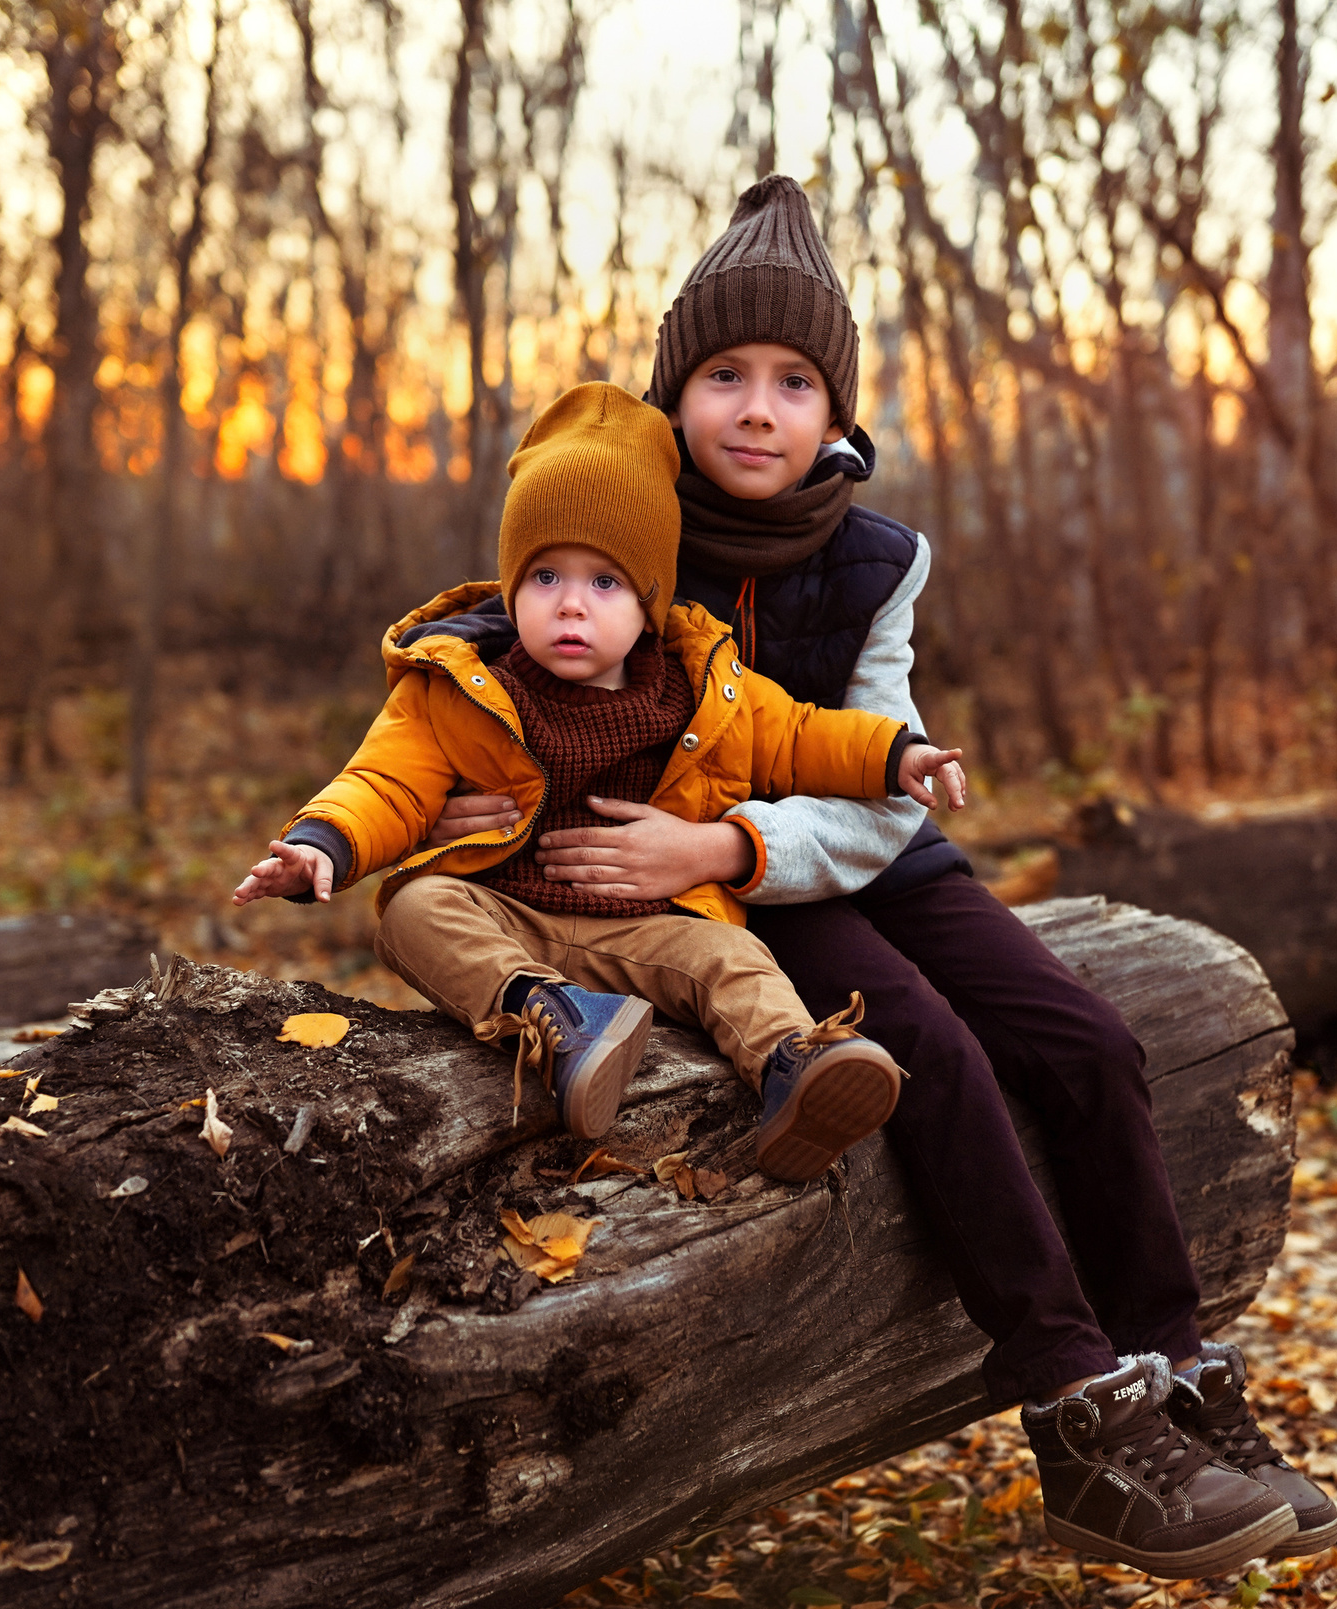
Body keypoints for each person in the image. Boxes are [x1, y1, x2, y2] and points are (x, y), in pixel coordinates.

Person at [423, 178, 1336, 1581]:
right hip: (728, 905)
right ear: (675, 395)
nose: (756, 408)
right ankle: (1078, 1408)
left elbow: (876, 785)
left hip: (848, 852)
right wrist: (478, 784)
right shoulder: (622, 523)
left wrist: (728, 839)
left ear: (835, 409)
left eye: (794, 380)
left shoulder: (878, 556)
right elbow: (493, 654)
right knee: (933, 1055)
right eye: (723, 373)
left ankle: (1177, 1361)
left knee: (1087, 1038)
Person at [231, 381, 966, 1182]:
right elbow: (384, 781)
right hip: (509, 913)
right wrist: (323, 846)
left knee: (736, 960)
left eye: (605, 582)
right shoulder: (459, 686)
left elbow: (796, 734)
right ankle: (559, 1022)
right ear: (512, 587)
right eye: (545, 578)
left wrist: (896, 753)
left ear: (650, 598)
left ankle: (797, 1069)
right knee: (413, 909)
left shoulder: (699, 682)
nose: (571, 605)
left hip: (656, 926)